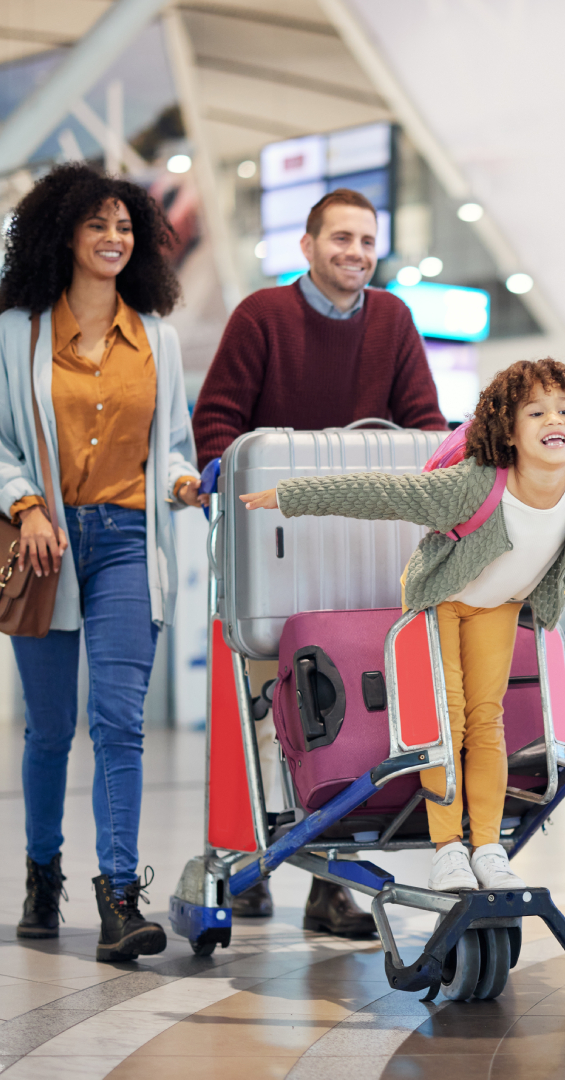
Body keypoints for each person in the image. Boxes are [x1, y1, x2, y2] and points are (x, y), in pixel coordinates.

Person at [240, 358, 565, 891]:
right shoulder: (473, 485)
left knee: (488, 721)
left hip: (498, 606)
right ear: (508, 431)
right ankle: (448, 851)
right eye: (535, 412)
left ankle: (487, 846)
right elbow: (381, 494)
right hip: (441, 601)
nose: (554, 419)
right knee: (446, 719)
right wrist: (289, 496)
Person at [192, 187, 446, 934]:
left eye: (367, 242)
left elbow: (425, 425)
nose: (356, 254)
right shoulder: (261, 318)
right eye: (341, 239)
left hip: (359, 549)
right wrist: (216, 469)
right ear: (307, 247)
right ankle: (244, 855)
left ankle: (325, 881)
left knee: (340, 714)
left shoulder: (393, 320)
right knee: (265, 715)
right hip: (271, 549)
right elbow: (216, 422)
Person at [0, 163, 202, 962]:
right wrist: (27, 507)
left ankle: (118, 900)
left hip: (130, 543)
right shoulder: (18, 332)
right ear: (63, 234)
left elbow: (174, 441)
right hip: (44, 545)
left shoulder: (159, 339)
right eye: (98, 224)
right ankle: (43, 874)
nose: (113, 238)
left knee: (120, 724)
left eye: (125, 226)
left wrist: (182, 479)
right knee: (49, 730)